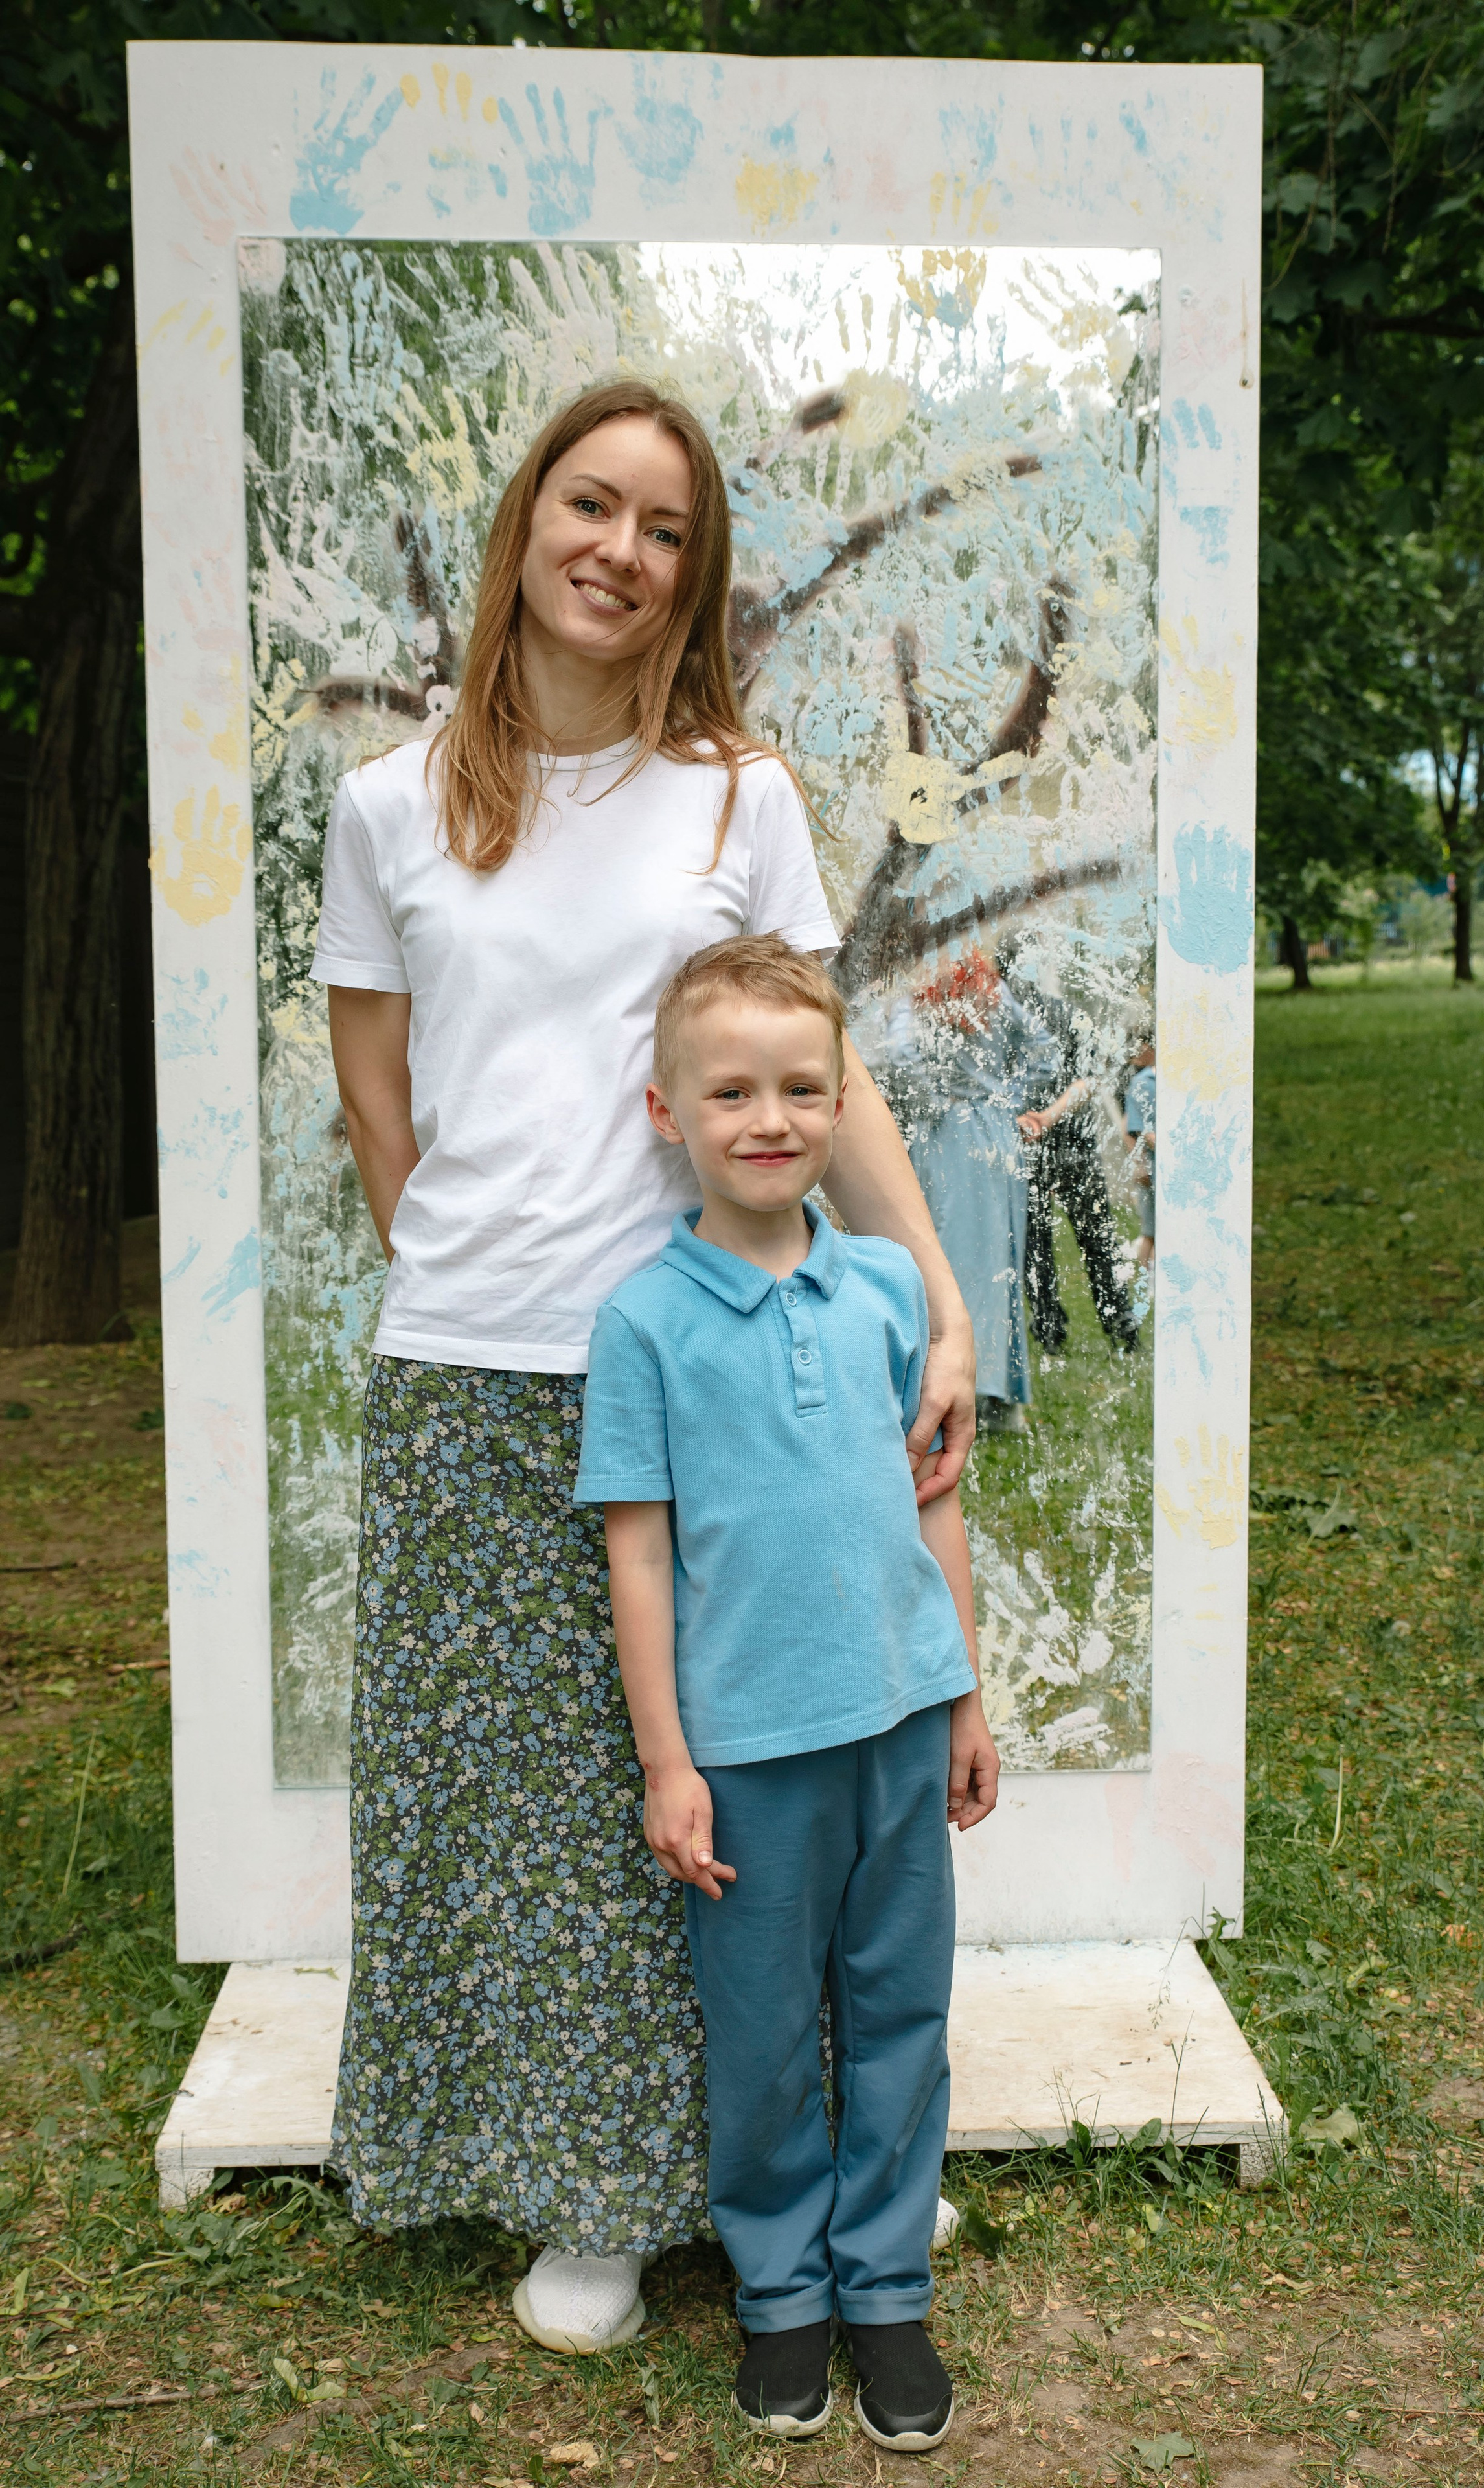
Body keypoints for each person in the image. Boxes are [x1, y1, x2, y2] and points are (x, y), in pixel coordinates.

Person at [313, 379, 977, 2357]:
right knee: (542, 1802)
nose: (618, 547)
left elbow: (817, 1065)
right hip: (479, 1369)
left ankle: (838, 2159)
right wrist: (477, 1279)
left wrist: (928, 1296)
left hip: (729, 1355)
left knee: (774, 1777)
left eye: (664, 526)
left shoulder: (735, 798)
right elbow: (376, 1098)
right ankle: (590, 2181)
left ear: (692, 580)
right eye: (589, 504)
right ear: (527, 522)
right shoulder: (387, 804)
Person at [576, 936, 999, 2452]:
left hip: (897, 1727)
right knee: (759, 2035)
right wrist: (663, 1762)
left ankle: (884, 2289)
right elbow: (637, 1561)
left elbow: (932, 1505)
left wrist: (960, 1697)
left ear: (839, 1103)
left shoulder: (890, 1291)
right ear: (663, 1110)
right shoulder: (642, 1323)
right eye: (731, 1088)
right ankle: (782, 2298)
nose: (768, 1115)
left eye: (801, 1086)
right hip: (747, 1757)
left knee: (897, 2012)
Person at [899, 948, 1060, 1435]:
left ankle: (953, 1391)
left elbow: (897, 1053)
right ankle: (996, 1398)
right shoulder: (989, 986)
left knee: (947, 1258)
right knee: (996, 1263)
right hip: (994, 1133)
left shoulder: (919, 987)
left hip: (947, 1130)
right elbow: (1044, 1051)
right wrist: (1005, 1097)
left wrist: (932, 1100)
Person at [1011, 976, 1139, 1355]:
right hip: (1068, 1144)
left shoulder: (1009, 1017)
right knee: (1095, 1239)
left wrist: (1040, 1119)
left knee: (1038, 1247)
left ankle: (1052, 1332)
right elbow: (1090, 1078)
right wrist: (1048, 1117)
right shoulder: (1066, 1012)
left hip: (1048, 1143)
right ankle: (1119, 1327)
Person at [1123, 1033, 1157, 1273]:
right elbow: (1130, 1130)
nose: (1134, 1054)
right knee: (1151, 1231)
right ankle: (1148, 1283)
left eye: (1139, 1048)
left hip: (1154, 1161)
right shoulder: (1142, 1082)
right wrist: (1139, 1164)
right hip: (1151, 1165)